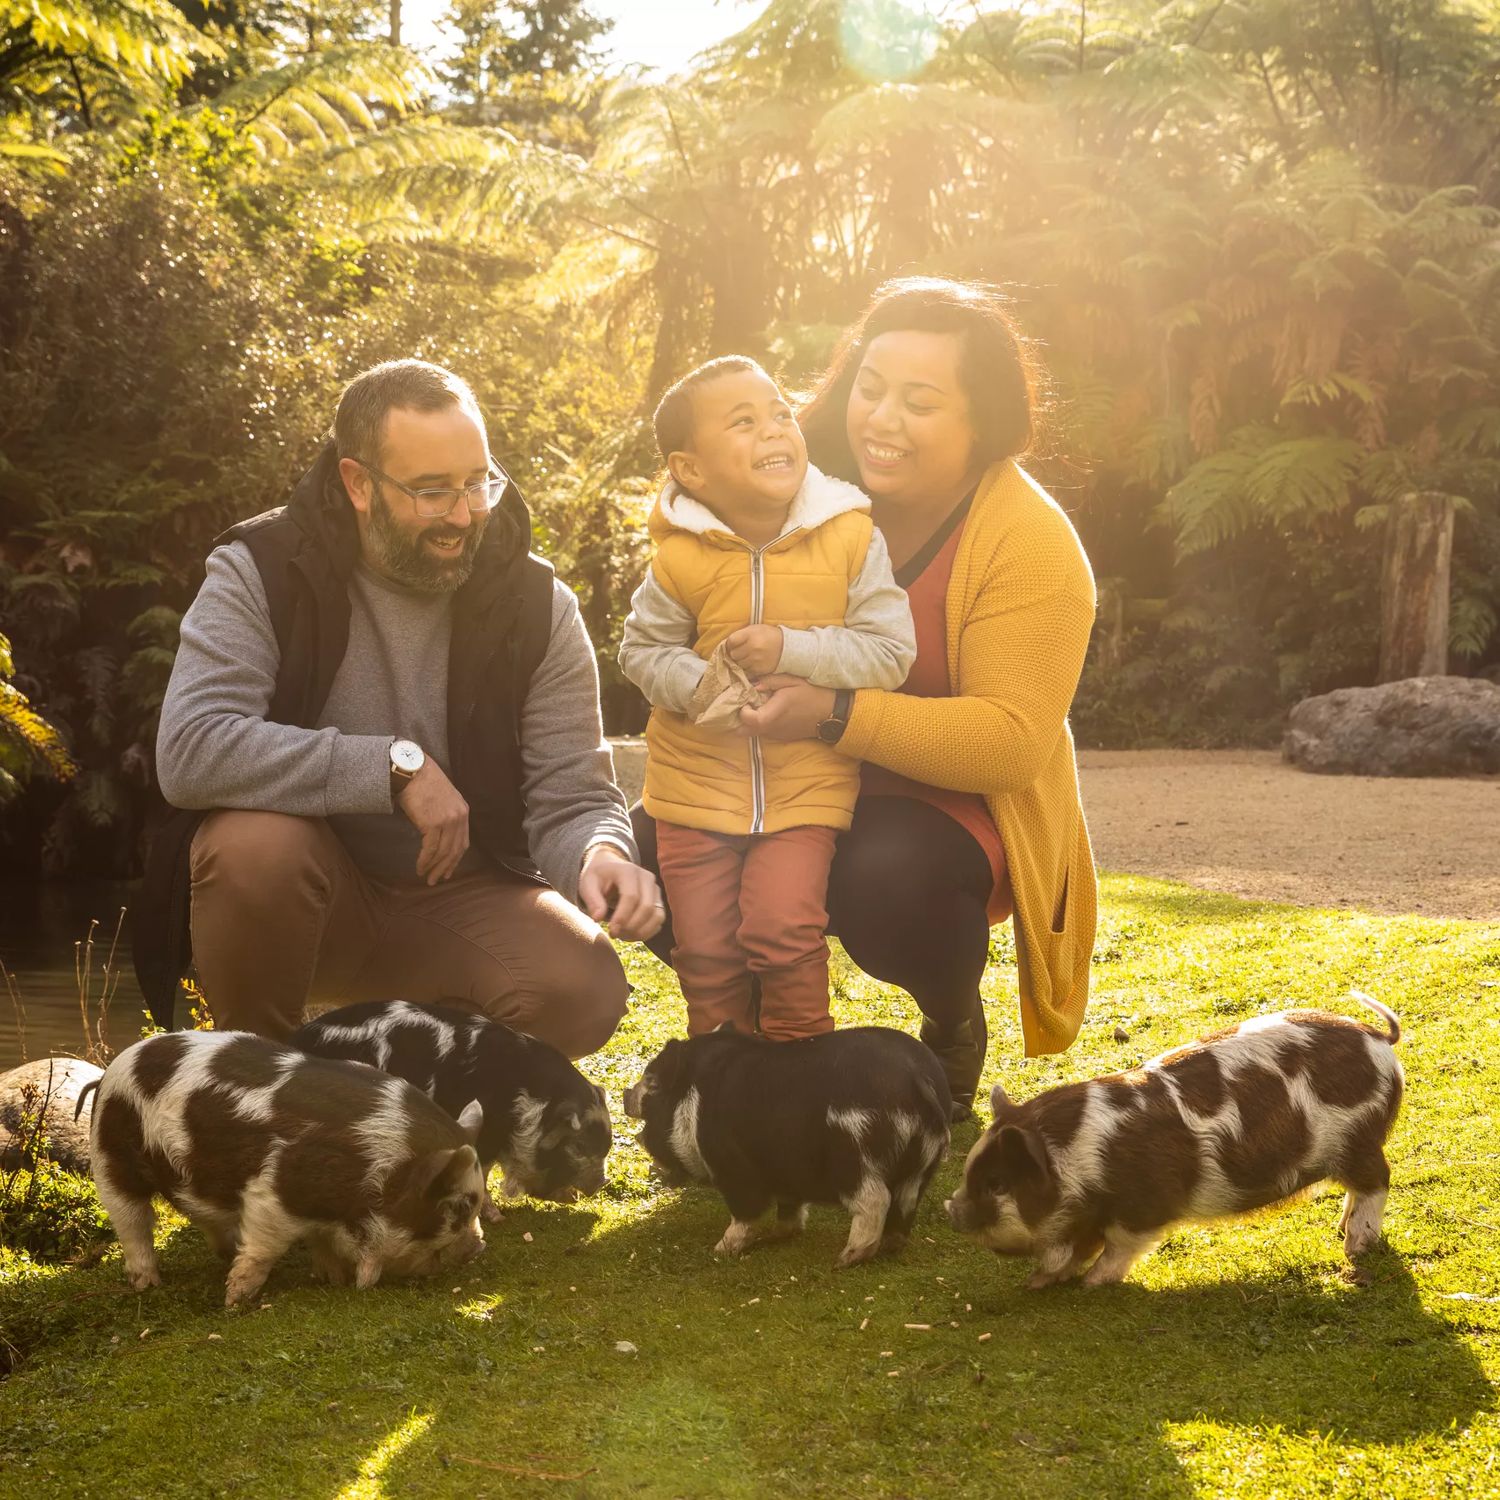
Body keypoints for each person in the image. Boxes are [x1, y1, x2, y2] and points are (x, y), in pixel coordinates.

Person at [631, 279, 1098, 1117]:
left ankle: (951, 1021)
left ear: (980, 420)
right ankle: (742, 1052)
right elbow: (683, 554)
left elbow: (1010, 741)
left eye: (919, 402)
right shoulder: (794, 476)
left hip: (944, 808)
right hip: (781, 770)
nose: (880, 420)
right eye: (869, 389)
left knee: (884, 873)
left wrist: (832, 711)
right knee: (649, 841)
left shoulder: (1029, 540)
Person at [136, 359, 662, 1057]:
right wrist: (392, 765)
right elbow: (193, 750)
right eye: (431, 491)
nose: (465, 514)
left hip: (457, 902)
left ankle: (410, 1098)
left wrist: (601, 854)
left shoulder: (539, 607)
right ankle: (257, 1083)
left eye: (478, 483)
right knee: (253, 847)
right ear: (358, 483)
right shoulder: (261, 569)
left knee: (583, 988)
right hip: (303, 901)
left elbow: (571, 793)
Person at [618, 356, 915, 1040]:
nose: (775, 431)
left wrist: (790, 649)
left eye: (781, 413)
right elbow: (641, 652)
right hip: (692, 794)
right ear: (690, 469)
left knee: (783, 932)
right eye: (744, 423)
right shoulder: (678, 558)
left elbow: (890, 653)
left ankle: (803, 1069)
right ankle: (724, 1091)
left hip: (803, 791)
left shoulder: (849, 536)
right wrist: (701, 686)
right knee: (709, 956)